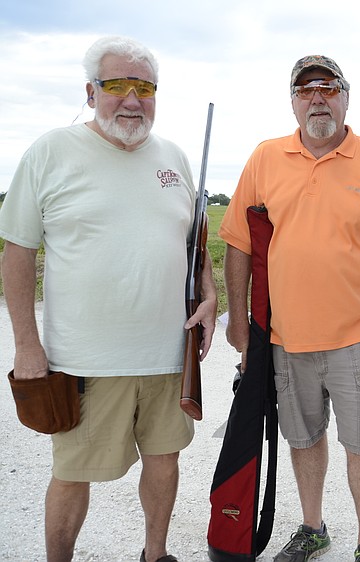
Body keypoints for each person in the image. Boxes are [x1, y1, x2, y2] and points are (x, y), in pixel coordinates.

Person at [0, 36, 218, 562]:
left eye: (143, 87)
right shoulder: (50, 152)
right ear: (91, 90)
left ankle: (155, 553)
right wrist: (27, 347)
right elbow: (17, 253)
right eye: (116, 85)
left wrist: (210, 295)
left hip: (168, 355)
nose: (131, 98)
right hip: (85, 360)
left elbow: (195, 243)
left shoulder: (175, 158)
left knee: (165, 461)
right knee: (73, 473)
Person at [219, 54, 360, 562]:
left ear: (346, 97)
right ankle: (312, 528)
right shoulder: (265, 157)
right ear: (292, 101)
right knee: (304, 440)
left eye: (329, 88)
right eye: (305, 89)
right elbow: (239, 244)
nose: (317, 98)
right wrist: (241, 323)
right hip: (287, 338)